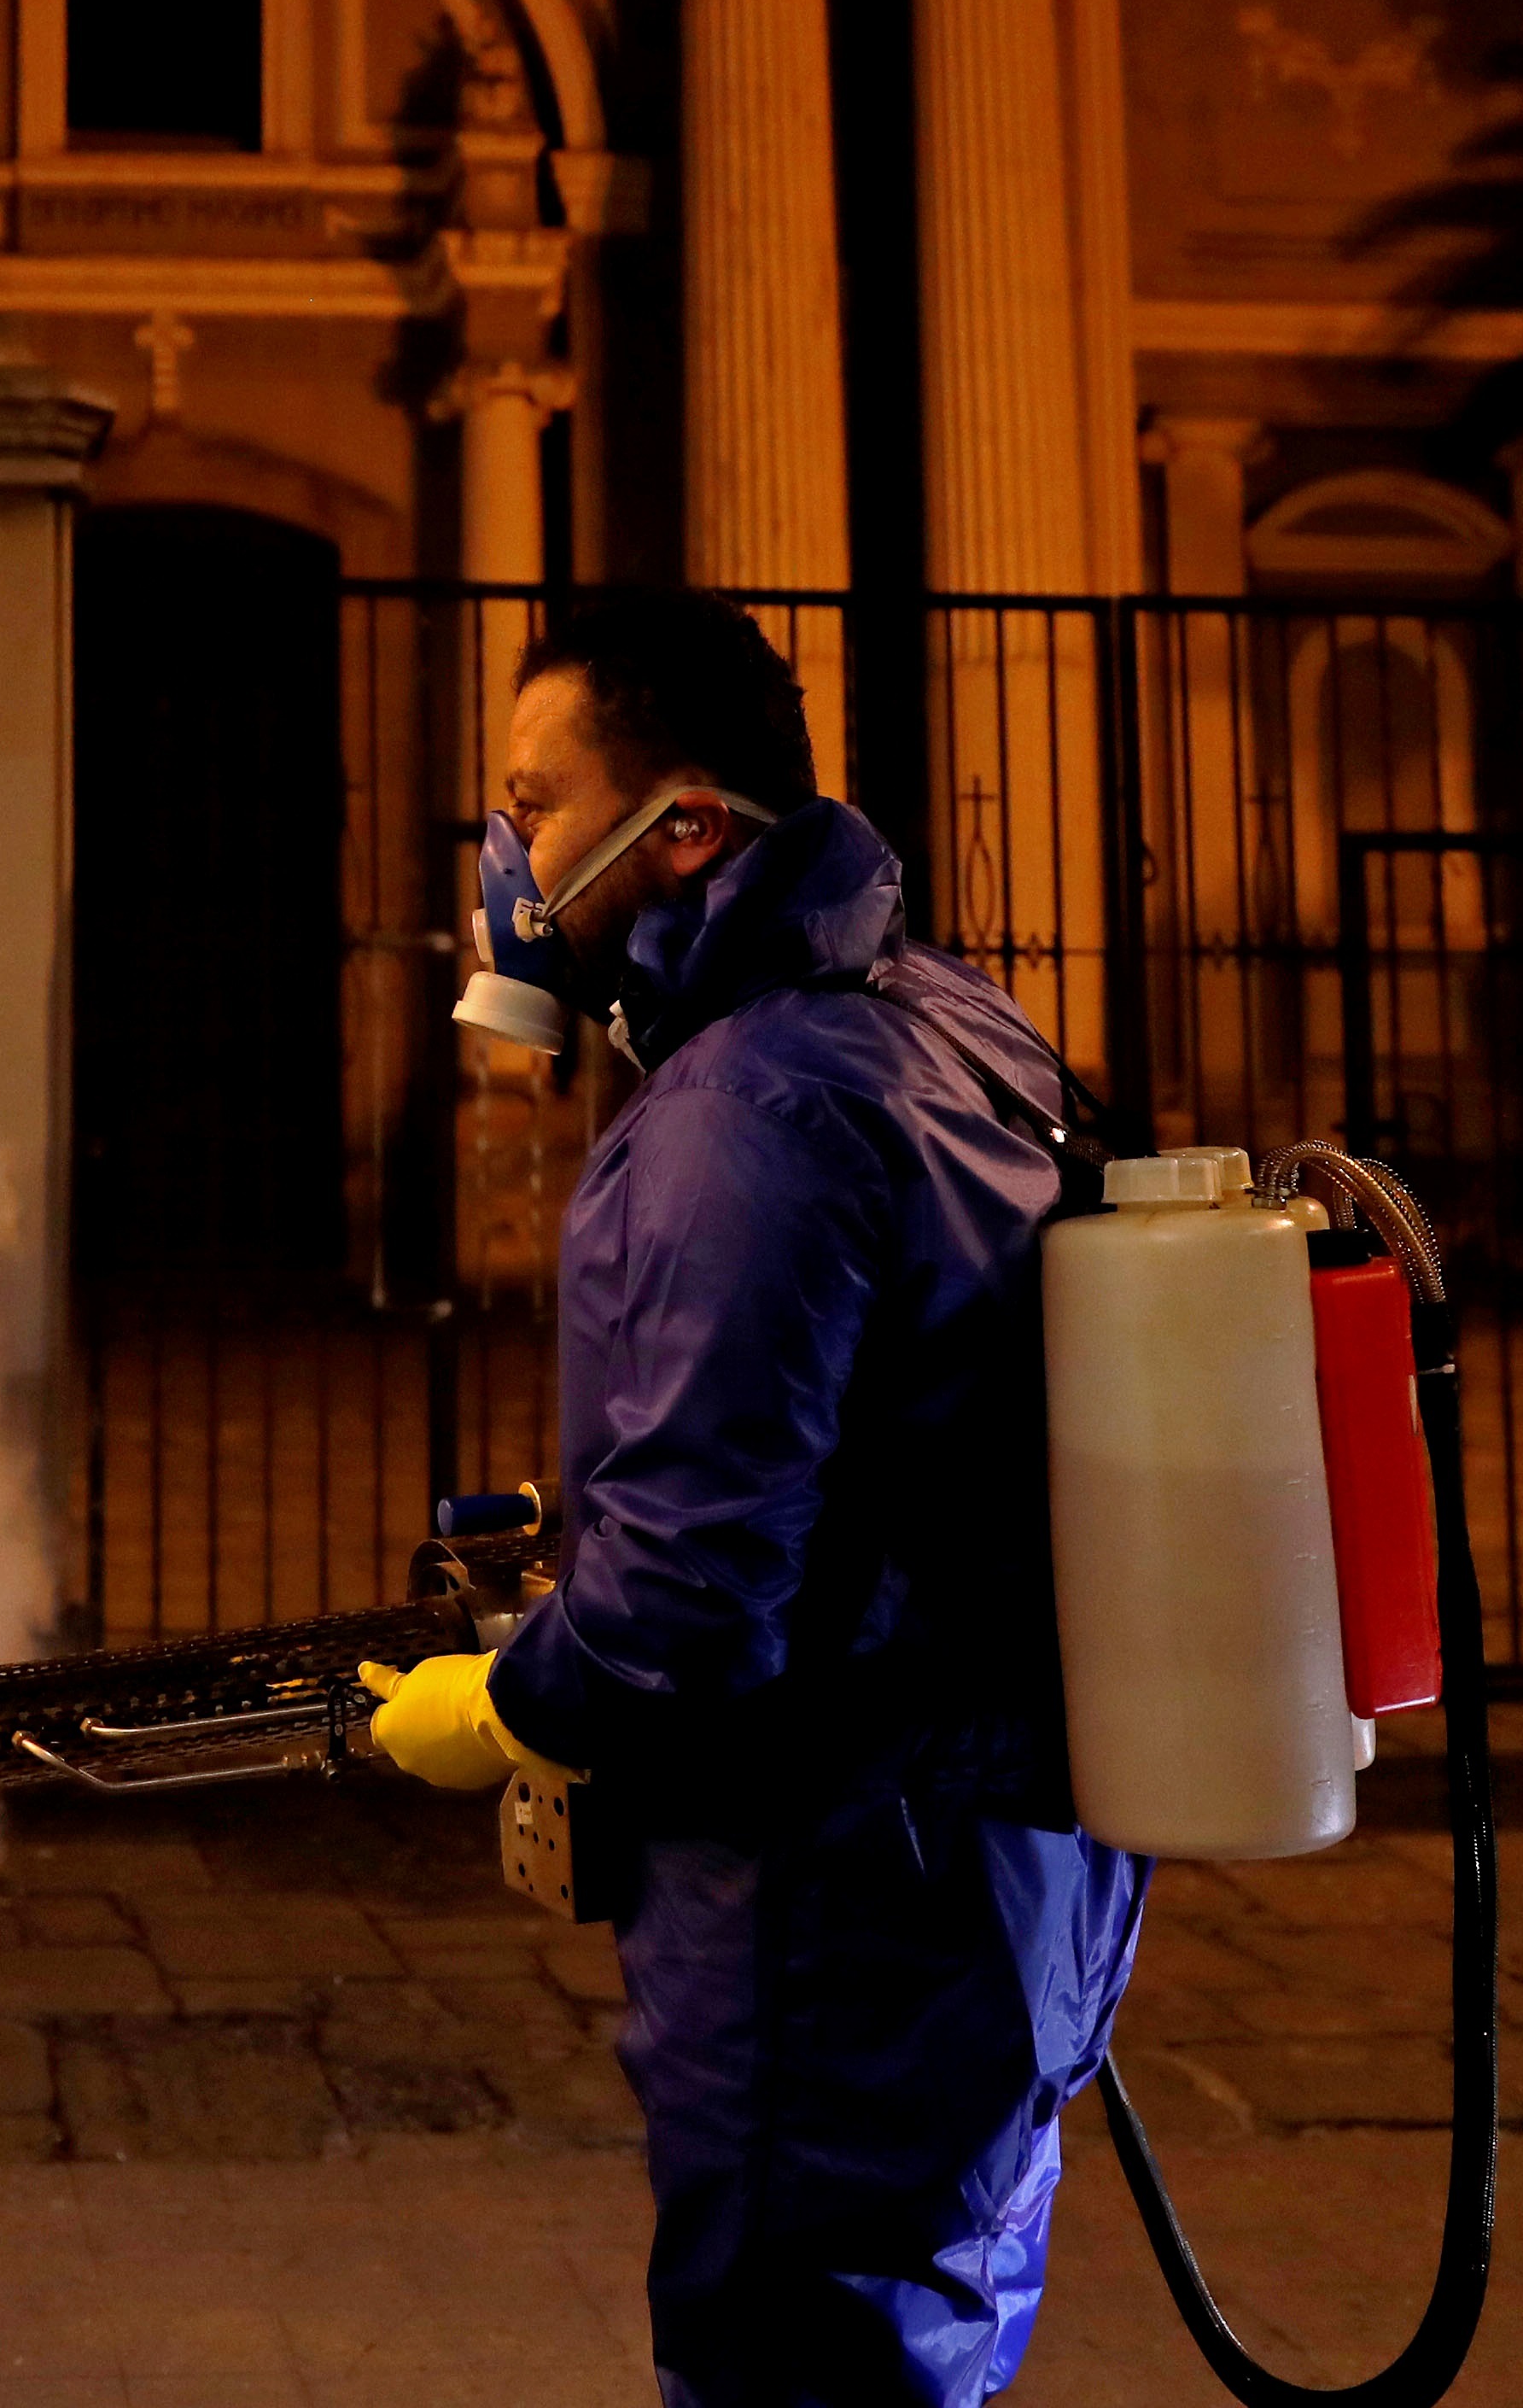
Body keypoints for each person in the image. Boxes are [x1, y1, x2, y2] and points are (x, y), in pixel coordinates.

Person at [360, 587, 1147, 2408]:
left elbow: (695, 1610)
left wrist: (514, 1699)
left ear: (687, 828)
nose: (504, 859)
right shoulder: (942, 1019)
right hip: (995, 1861)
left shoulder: (753, 1102)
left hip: (832, 1889)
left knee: (801, 2360)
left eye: (534, 804)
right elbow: (895, 1411)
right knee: (913, 2336)